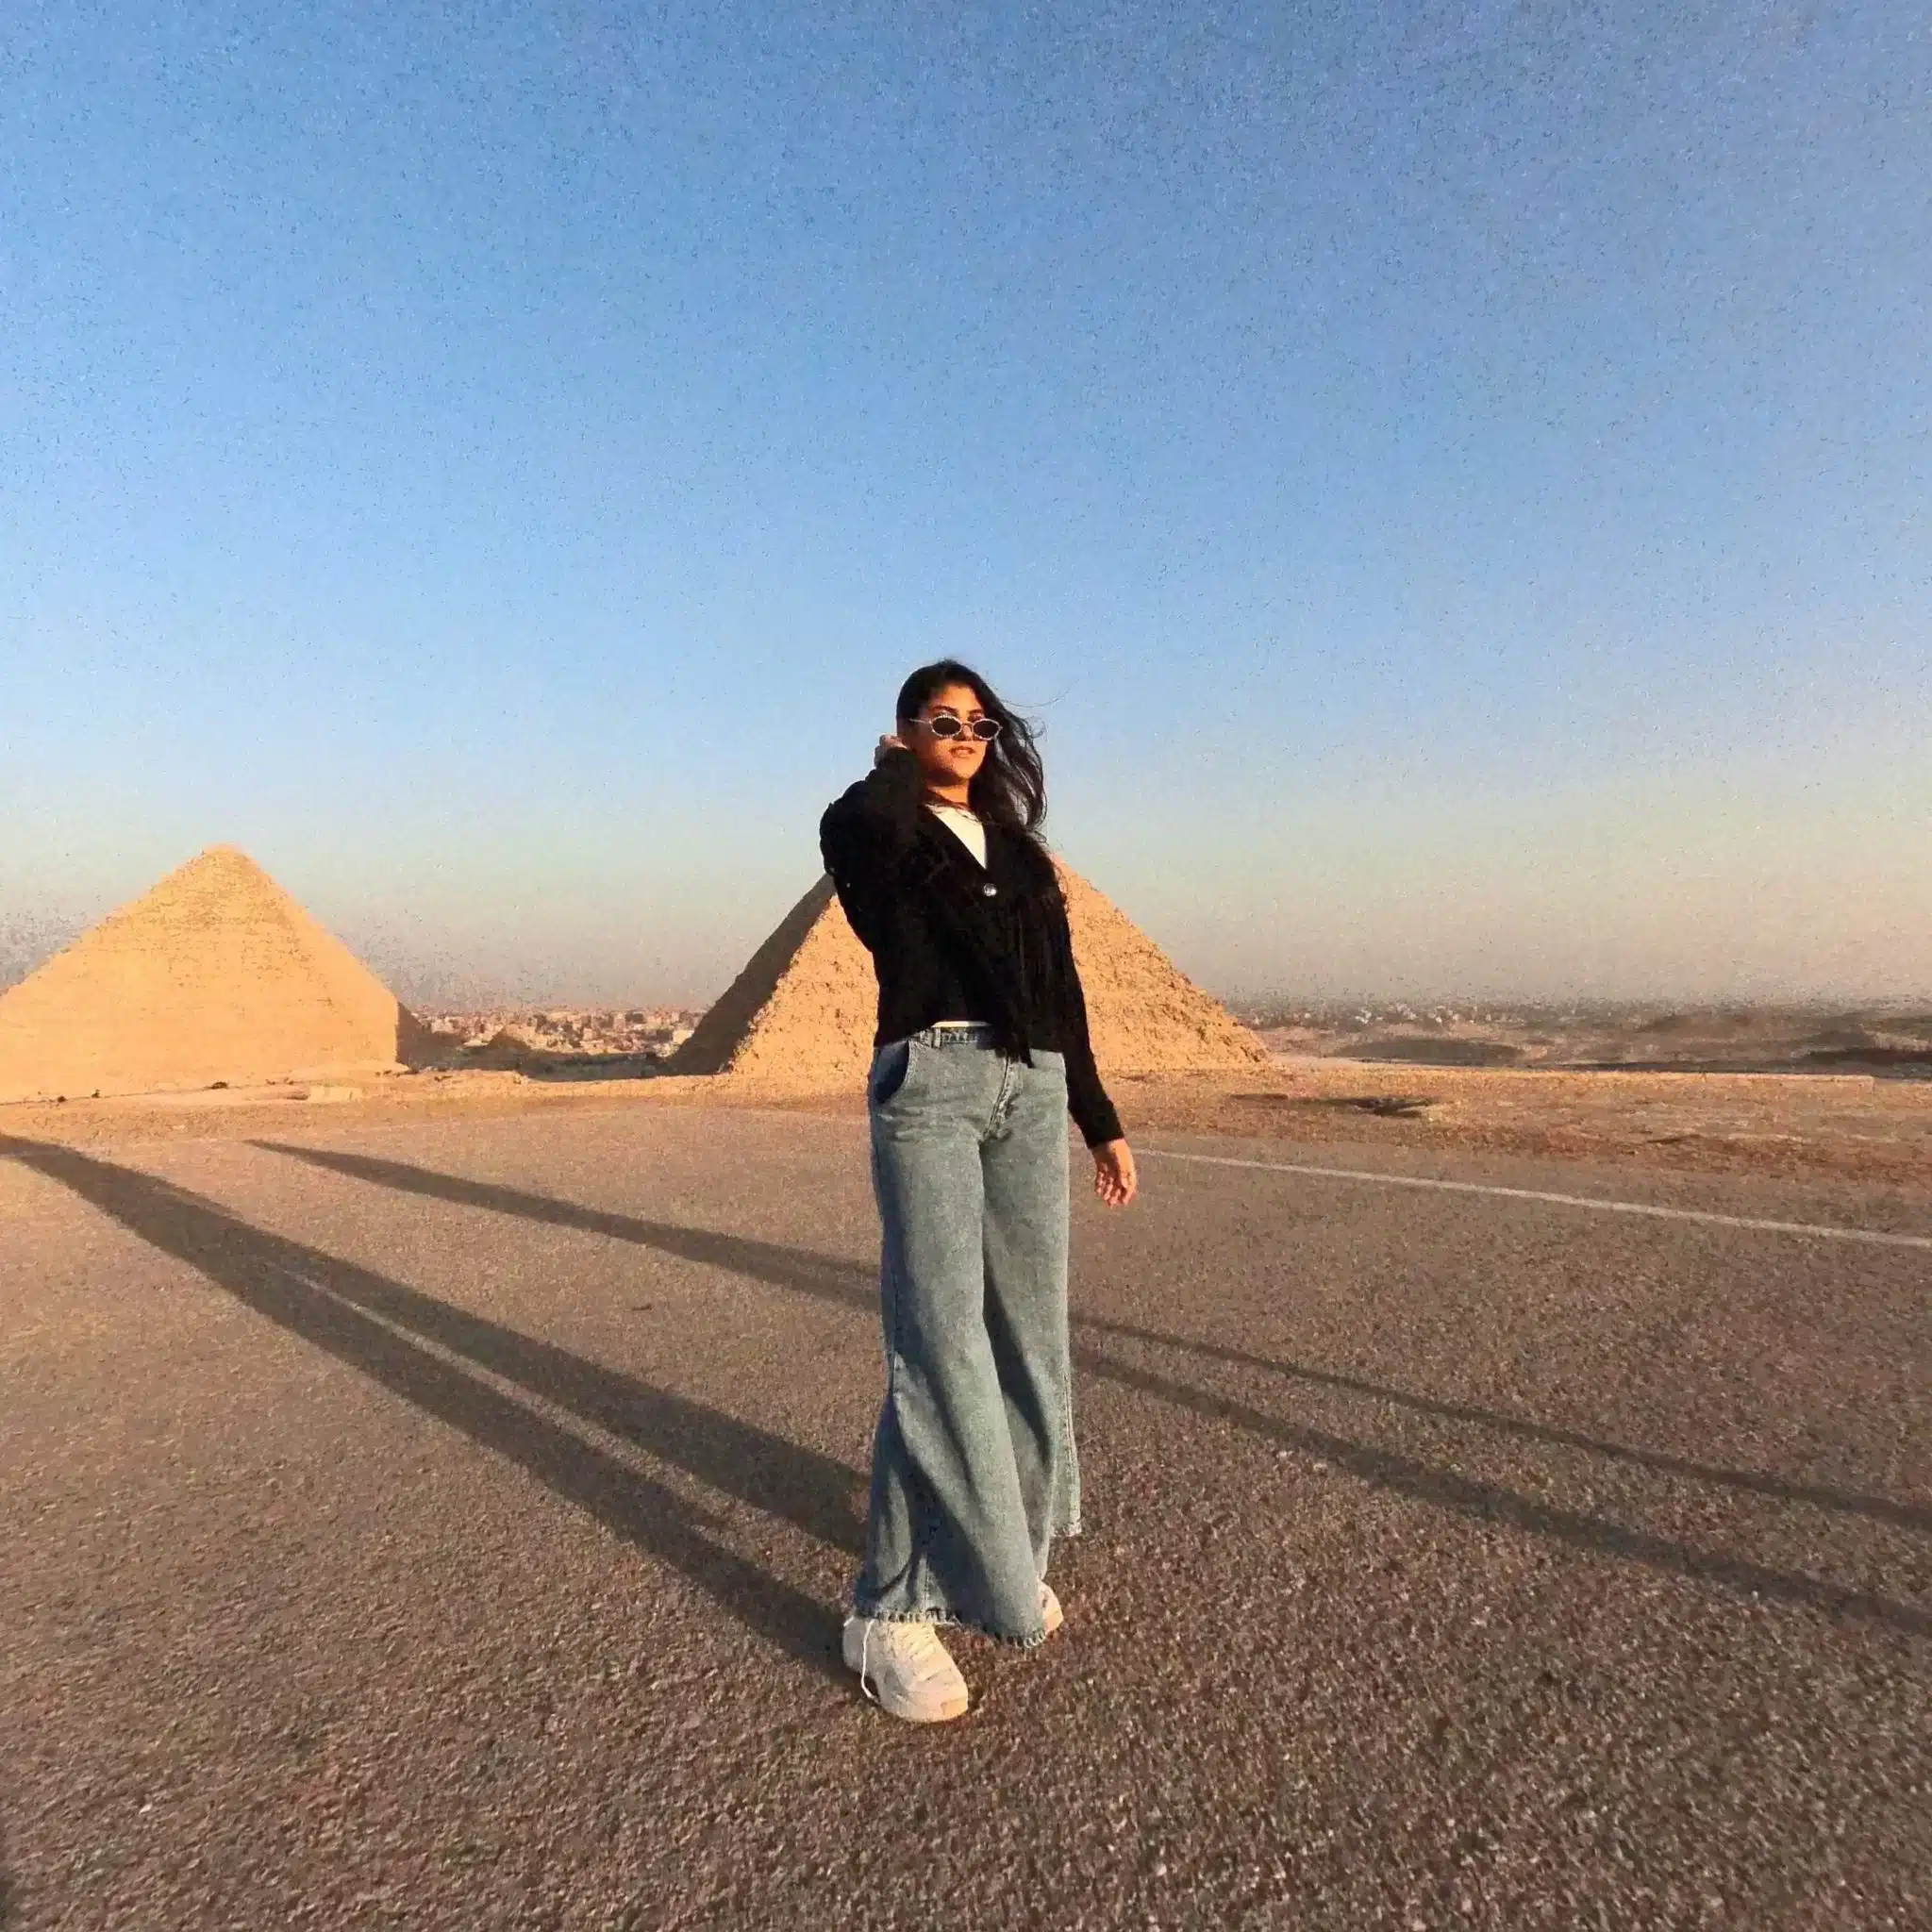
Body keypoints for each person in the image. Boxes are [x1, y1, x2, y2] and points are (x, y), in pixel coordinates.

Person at [820, 659, 1138, 1723]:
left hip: (1030, 1085)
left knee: (1027, 1338)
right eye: (940, 718)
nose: (963, 733)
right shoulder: (874, 827)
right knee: (940, 1340)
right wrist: (892, 766)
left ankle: (1003, 1553)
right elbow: (866, 837)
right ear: (907, 729)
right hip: (934, 1081)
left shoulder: (1023, 854)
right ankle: (888, 1610)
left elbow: (1062, 994)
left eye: (978, 721)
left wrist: (1099, 1117)